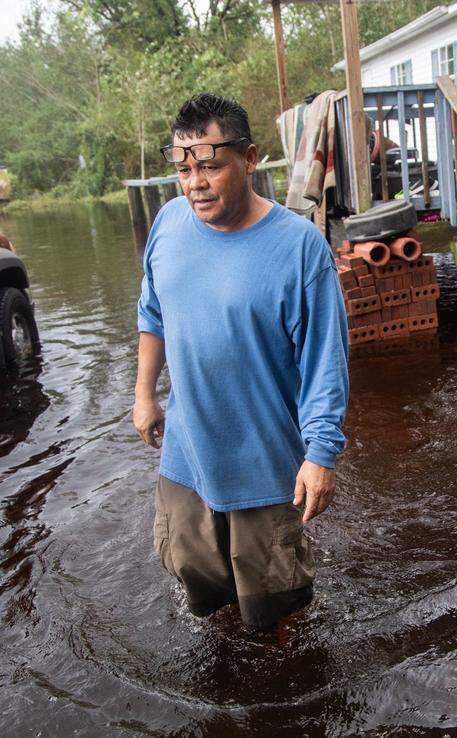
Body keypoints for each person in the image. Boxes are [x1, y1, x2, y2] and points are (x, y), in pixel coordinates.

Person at [133, 93, 349, 630]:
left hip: (265, 468)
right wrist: (144, 395)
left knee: (276, 615)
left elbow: (326, 360)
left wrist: (320, 455)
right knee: (203, 599)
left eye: (209, 165)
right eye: (183, 167)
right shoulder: (168, 224)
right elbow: (152, 310)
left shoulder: (300, 248)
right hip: (188, 458)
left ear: (249, 158)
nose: (194, 183)